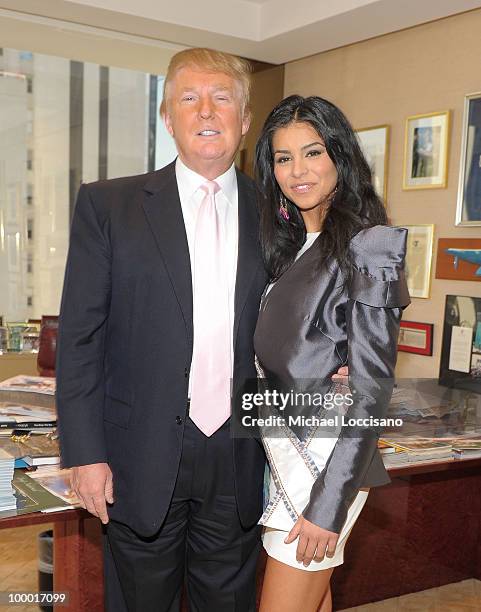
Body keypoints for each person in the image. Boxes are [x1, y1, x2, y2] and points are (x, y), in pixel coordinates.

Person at [56, 48, 268, 612]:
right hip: (136, 455)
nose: (206, 110)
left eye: (222, 97)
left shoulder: (279, 212)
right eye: (189, 98)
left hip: (240, 452)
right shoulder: (108, 205)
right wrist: (84, 453)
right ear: (167, 117)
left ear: (245, 120)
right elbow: (81, 337)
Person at [253, 95, 410, 612]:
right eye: (283, 158)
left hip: (323, 469)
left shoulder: (368, 247)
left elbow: (371, 390)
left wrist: (328, 504)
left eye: (313, 152)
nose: (297, 171)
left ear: (339, 156)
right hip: (281, 459)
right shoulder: (290, 245)